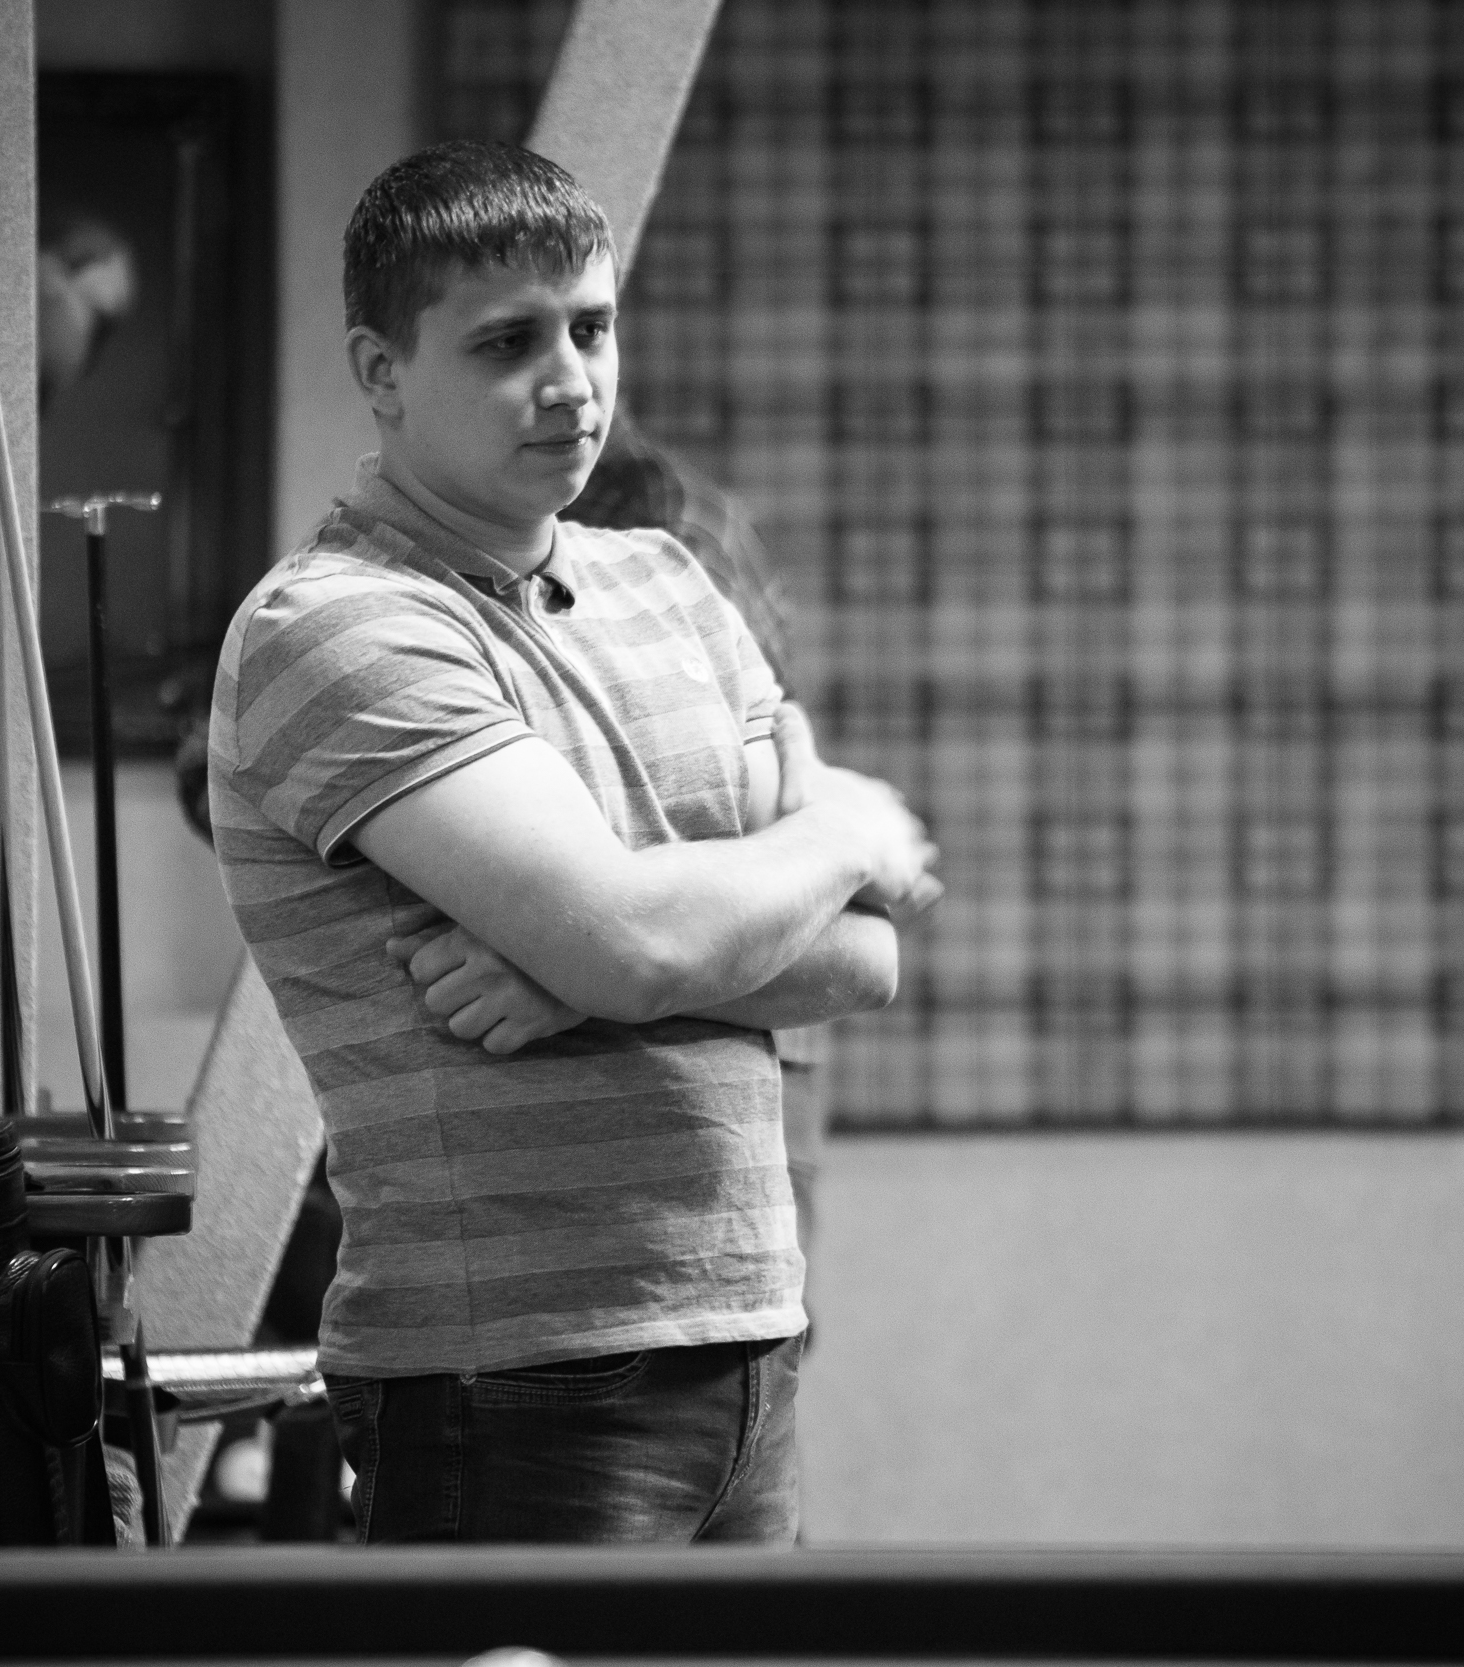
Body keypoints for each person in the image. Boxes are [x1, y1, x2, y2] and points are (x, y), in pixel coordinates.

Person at [205, 141, 938, 1544]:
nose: (571, 381)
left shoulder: (669, 579)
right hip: (511, 1373)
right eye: (507, 342)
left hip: (747, 1340)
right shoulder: (337, 625)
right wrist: (835, 830)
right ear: (380, 370)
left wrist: (584, 971)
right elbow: (638, 938)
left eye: (591, 327)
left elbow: (862, 957)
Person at [560, 414, 832, 1252]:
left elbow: (702, 820)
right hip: (665, 1003)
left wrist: (545, 970)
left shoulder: (657, 527)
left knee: (727, 1310)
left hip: (714, 1027)